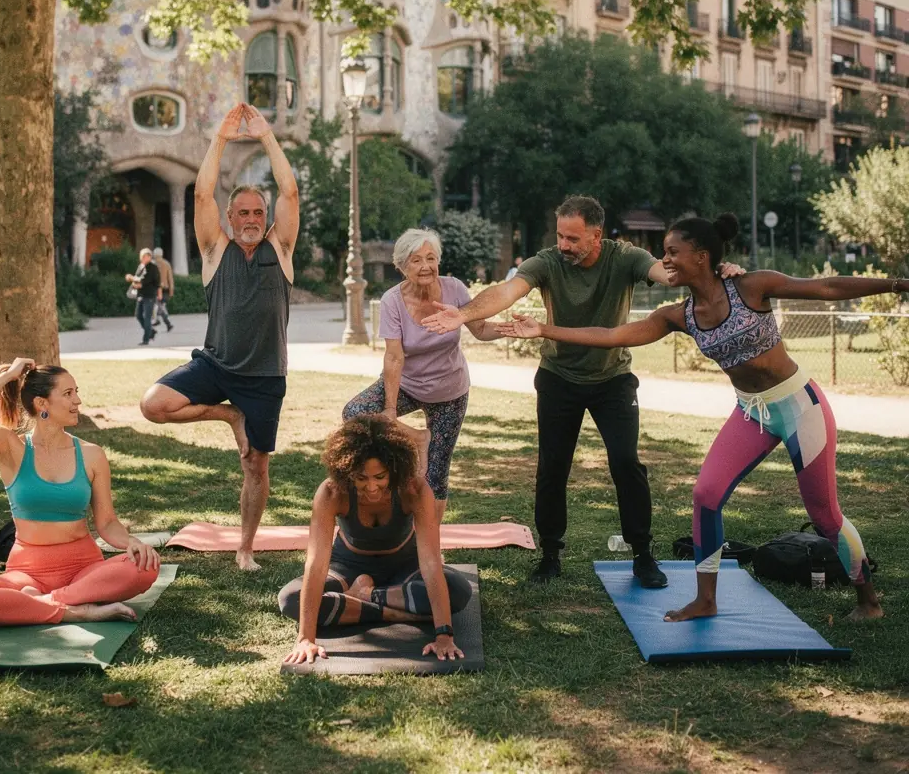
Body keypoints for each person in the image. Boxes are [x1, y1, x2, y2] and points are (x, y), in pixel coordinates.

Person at [497, 212, 901, 623]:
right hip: (750, 412)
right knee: (706, 497)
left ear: (702, 256)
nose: (665, 259)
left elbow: (827, 286)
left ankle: (868, 601)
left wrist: (898, 284)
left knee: (824, 514)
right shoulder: (681, 315)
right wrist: (545, 331)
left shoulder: (751, 286)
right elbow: (612, 335)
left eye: (673, 251)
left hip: (799, 405)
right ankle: (706, 599)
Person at [423, 194, 744, 588]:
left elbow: (668, 273)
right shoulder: (547, 262)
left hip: (612, 381)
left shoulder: (624, 257)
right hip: (558, 378)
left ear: (596, 236)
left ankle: (643, 554)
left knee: (626, 463)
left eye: (573, 239)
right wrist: (465, 313)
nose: (564, 245)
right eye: (560, 236)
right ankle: (550, 554)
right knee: (552, 468)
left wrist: (715, 267)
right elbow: (507, 291)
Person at [140, 103, 299, 571]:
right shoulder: (214, 249)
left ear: (265, 216)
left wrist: (266, 136)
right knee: (154, 404)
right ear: (230, 216)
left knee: (256, 466)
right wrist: (221, 139)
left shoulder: (280, 248)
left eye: (258, 211)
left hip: (266, 376)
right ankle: (229, 415)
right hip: (215, 365)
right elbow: (202, 194)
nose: (250, 217)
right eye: (242, 211)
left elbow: (289, 189)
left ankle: (245, 548)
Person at [0, 358, 160, 626]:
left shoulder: (92, 455)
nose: (78, 401)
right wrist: (10, 375)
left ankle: (41, 603)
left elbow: (107, 522)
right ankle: (77, 611)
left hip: (84, 569)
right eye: (68, 394)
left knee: (146, 566)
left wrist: (131, 542)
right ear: (42, 404)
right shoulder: (10, 449)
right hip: (26, 573)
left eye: (77, 392)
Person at [280, 414, 472, 665]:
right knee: (290, 599)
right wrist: (305, 637)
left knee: (457, 590)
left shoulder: (414, 489)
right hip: (348, 566)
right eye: (361, 478)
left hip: (404, 565)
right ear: (347, 471)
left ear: (394, 470)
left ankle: (367, 596)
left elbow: (431, 563)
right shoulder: (331, 492)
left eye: (380, 477)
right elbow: (316, 565)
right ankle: (395, 611)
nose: (371, 487)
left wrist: (444, 634)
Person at [341, 229, 505, 522]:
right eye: (416, 260)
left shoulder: (454, 289)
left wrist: (507, 329)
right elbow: (394, 357)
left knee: (436, 473)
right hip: (407, 385)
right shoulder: (393, 301)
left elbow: (479, 330)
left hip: (449, 392)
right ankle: (418, 438)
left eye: (431, 258)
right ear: (402, 266)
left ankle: (427, 543)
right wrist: (390, 410)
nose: (426, 266)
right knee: (355, 412)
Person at [125, 247, 160, 345]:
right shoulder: (141, 266)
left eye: (145, 256)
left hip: (149, 296)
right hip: (141, 295)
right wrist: (135, 281)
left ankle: (146, 339)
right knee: (138, 315)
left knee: (147, 317)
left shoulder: (152, 267)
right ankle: (151, 331)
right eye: (142, 256)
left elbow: (144, 281)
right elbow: (138, 280)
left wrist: (132, 278)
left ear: (149, 256)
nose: (143, 258)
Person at [153, 246, 174, 332]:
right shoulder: (167, 264)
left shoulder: (152, 264)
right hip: (165, 289)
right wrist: (171, 290)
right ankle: (166, 323)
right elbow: (170, 279)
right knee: (160, 306)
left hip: (156, 289)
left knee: (158, 307)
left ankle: (161, 321)